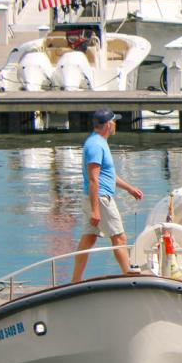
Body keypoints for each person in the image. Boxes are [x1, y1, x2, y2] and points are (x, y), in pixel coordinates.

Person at [71, 108, 144, 282]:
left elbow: (109, 175)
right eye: (114, 121)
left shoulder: (99, 142)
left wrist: (129, 188)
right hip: (101, 198)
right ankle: (128, 275)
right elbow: (93, 179)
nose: (115, 124)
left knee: (88, 239)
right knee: (119, 237)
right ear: (108, 125)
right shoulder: (95, 145)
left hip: (96, 198)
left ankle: (75, 280)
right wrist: (96, 210)